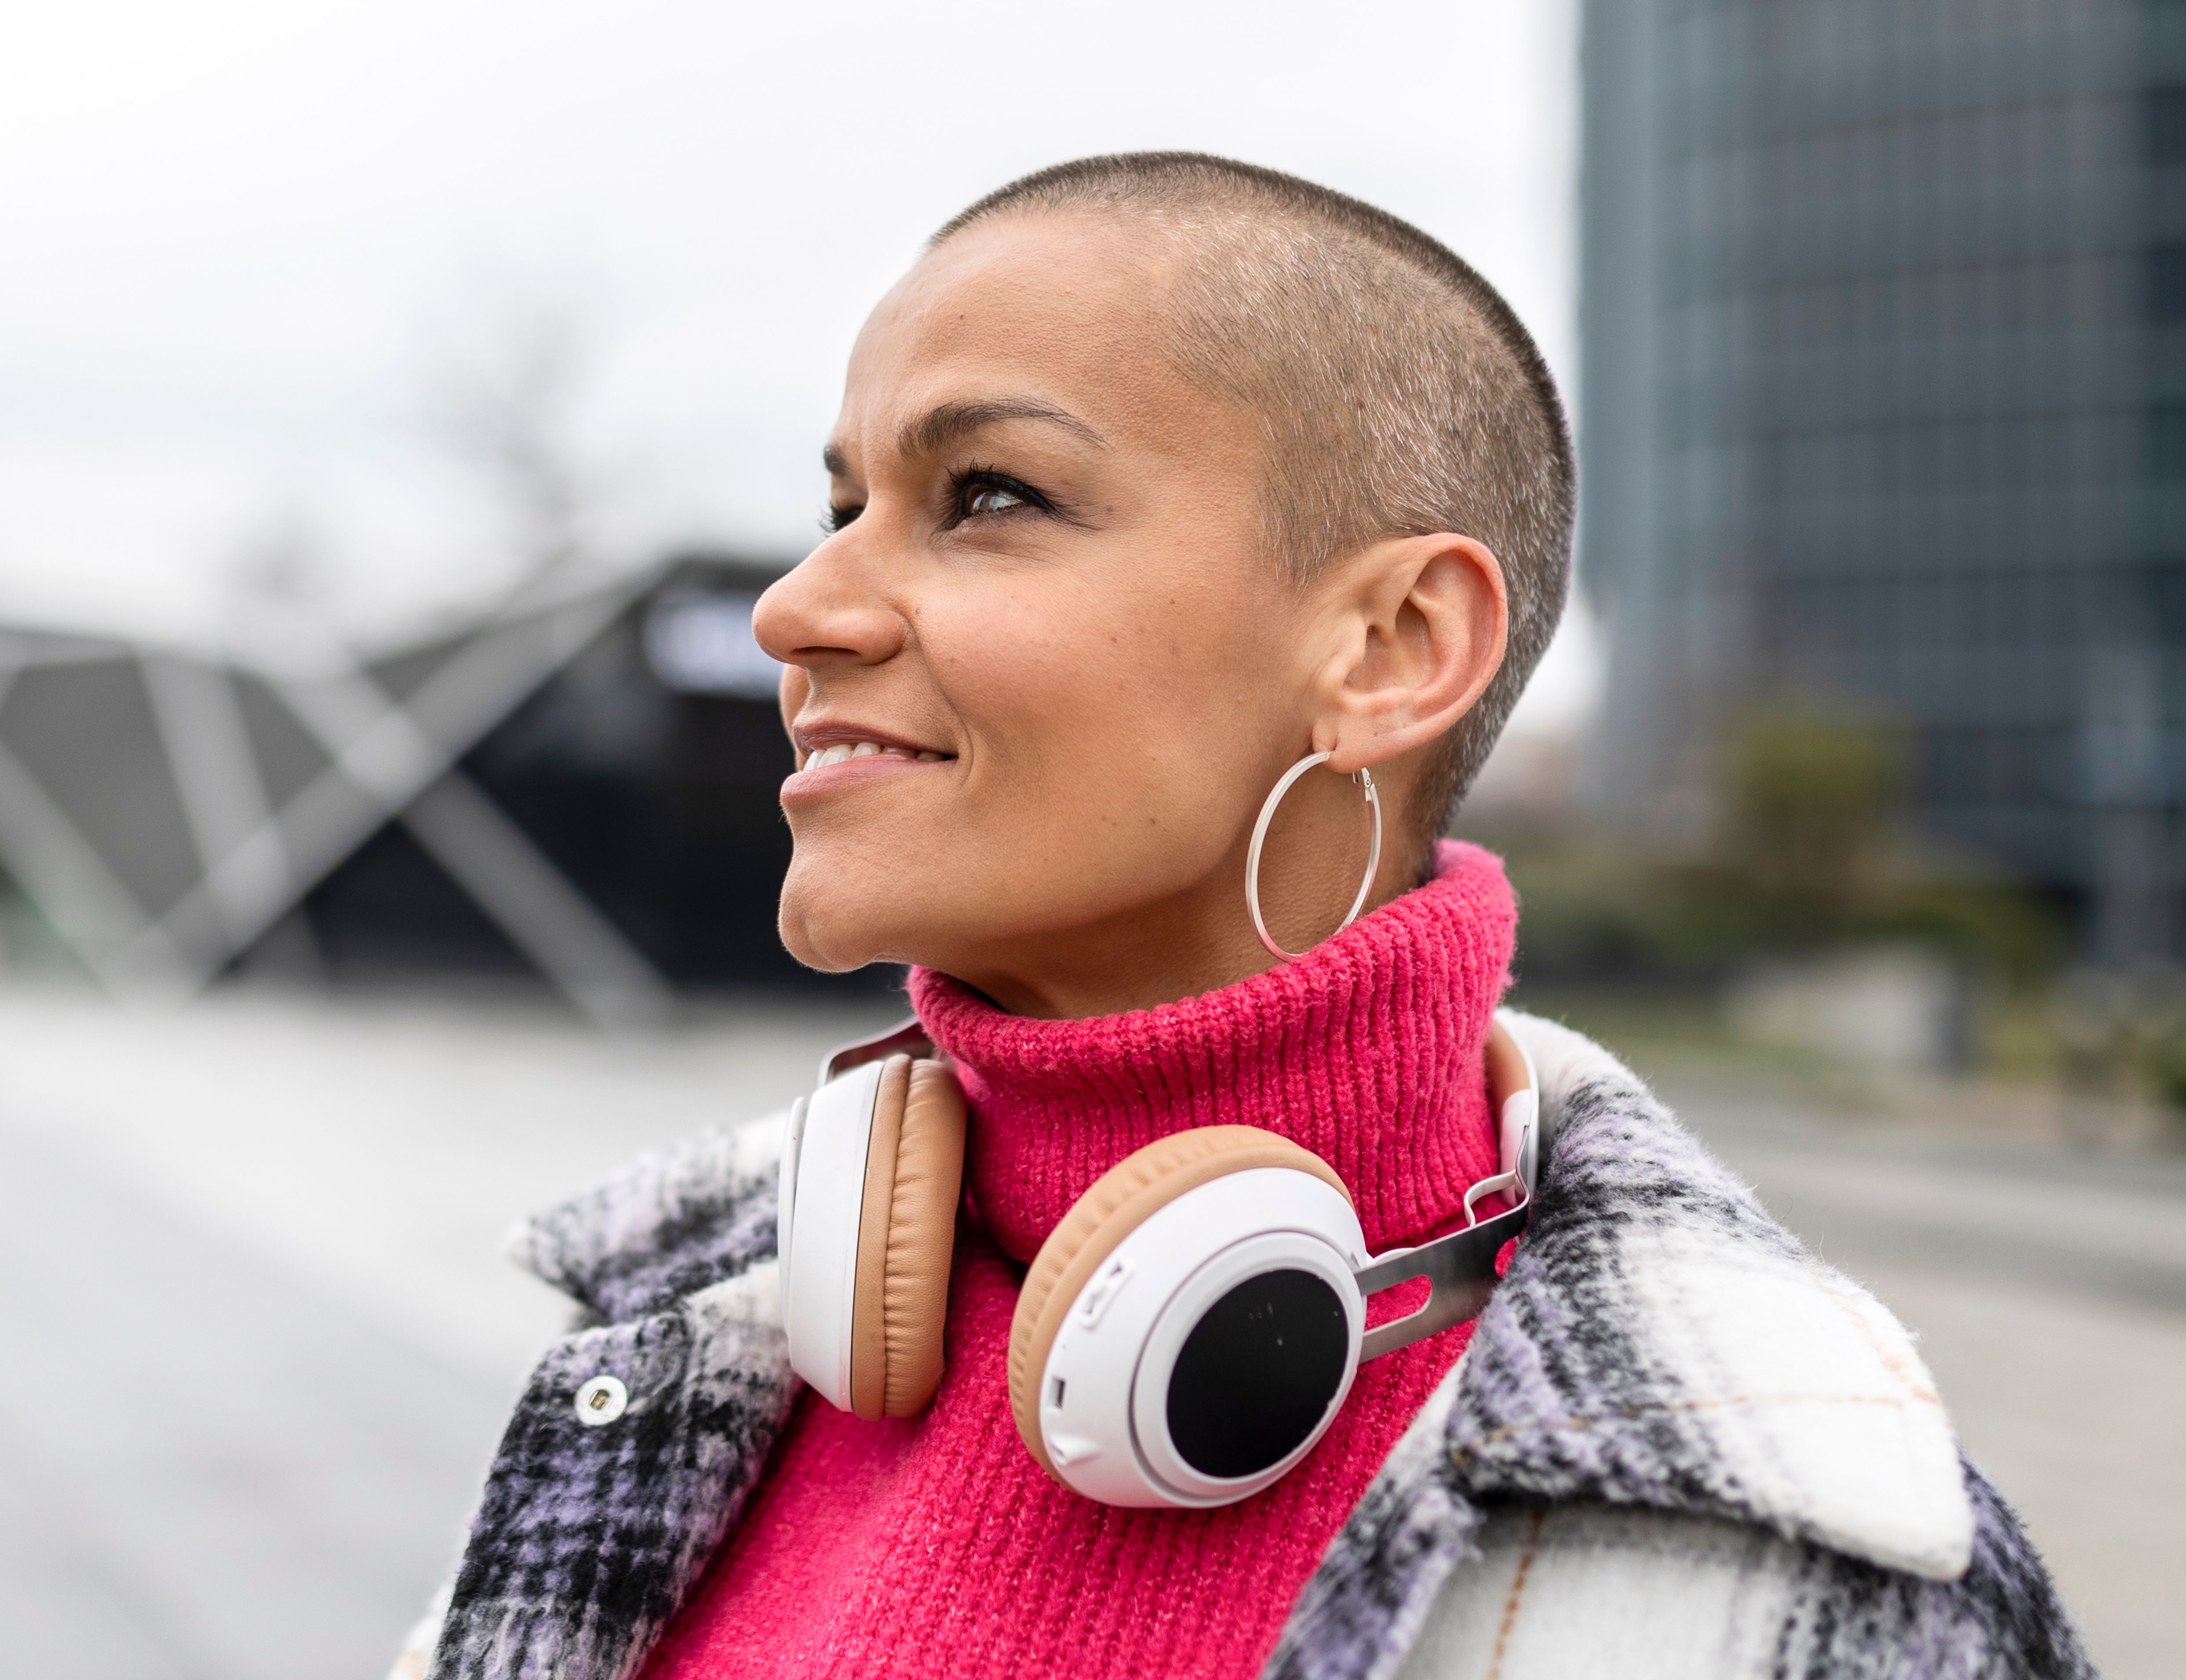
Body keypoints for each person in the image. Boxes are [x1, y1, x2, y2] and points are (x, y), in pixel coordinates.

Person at [393, 154, 2089, 1680]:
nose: (797, 606)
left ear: (1390, 649)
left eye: (986, 494)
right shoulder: (672, 1342)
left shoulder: (1817, 1577)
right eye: (844, 509)